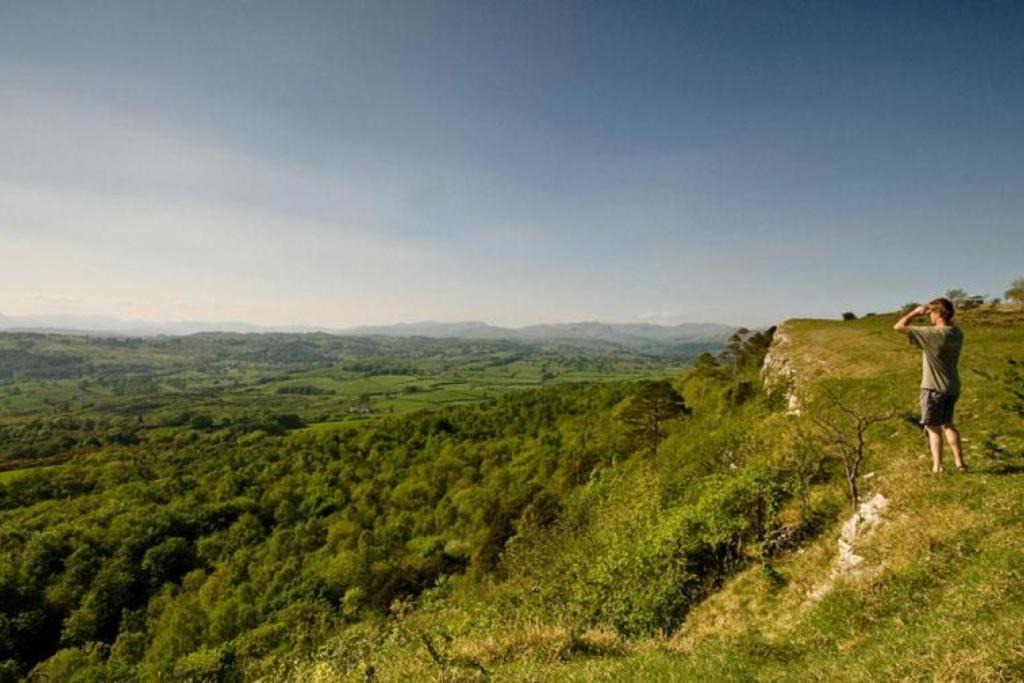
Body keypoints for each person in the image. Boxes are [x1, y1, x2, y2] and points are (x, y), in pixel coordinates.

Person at [893, 298, 965, 473]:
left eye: (931, 312)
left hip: (933, 387)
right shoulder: (957, 333)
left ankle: (937, 466)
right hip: (952, 386)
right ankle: (960, 463)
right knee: (948, 424)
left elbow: (899, 326)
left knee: (933, 428)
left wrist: (915, 312)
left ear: (937, 312)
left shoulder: (932, 334)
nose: (929, 316)